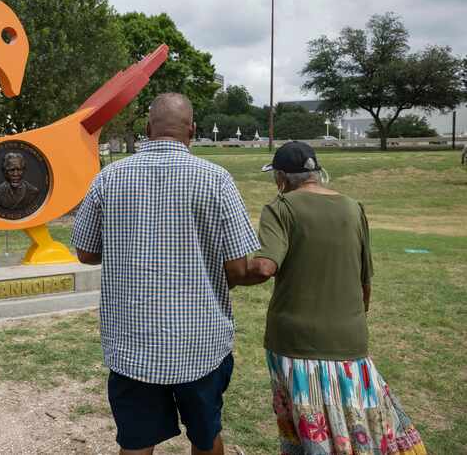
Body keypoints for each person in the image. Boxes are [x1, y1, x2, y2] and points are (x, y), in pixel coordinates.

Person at [71, 93, 269, 455]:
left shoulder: (108, 178)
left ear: (147, 130)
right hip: (201, 345)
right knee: (206, 437)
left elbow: (85, 252)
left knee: (136, 442)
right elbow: (238, 268)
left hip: (133, 344)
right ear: (192, 131)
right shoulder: (217, 180)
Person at [249, 141, 426, 455]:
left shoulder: (281, 208)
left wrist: (229, 274)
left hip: (295, 342)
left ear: (280, 177)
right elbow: (364, 280)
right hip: (350, 339)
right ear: (316, 173)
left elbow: (264, 266)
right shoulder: (353, 207)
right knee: (359, 423)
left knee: (309, 430)